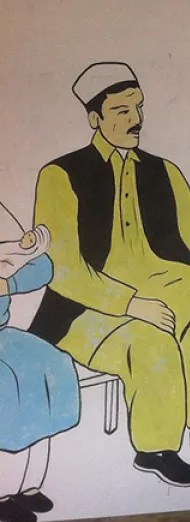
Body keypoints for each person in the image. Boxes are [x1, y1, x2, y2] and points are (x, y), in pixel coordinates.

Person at [27, 62, 190, 487]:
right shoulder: (61, 175)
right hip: (86, 308)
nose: (136, 119)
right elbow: (64, 270)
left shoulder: (166, 171)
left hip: (162, 286)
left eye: (138, 107)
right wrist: (132, 304)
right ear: (94, 118)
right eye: (121, 110)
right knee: (151, 340)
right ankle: (156, 449)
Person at [0, 220, 79, 522]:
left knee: (51, 365)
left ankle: (29, 485)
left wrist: (26, 250)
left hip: (5, 338)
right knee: (8, 393)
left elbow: (43, 268)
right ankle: (2, 493)